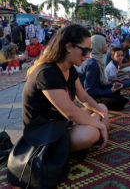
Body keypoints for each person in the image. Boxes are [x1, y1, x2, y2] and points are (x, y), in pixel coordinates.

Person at [23, 24, 109, 153]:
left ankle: (94, 125)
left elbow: (84, 97)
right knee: (91, 134)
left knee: (101, 107)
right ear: (68, 47)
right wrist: (100, 123)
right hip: (43, 132)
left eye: (90, 51)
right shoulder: (46, 72)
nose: (87, 55)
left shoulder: (70, 69)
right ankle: (95, 128)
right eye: (85, 50)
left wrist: (99, 114)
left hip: (61, 122)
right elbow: (70, 112)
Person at [77, 35, 128, 111]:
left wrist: (112, 85)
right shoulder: (92, 64)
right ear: (99, 46)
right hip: (88, 97)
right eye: (104, 44)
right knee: (120, 101)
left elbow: (98, 83)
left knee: (117, 90)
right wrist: (110, 91)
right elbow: (89, 90)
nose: (107, 46)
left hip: (94, 91)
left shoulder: (96, 59)